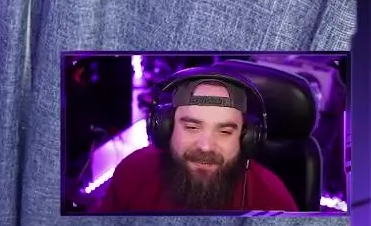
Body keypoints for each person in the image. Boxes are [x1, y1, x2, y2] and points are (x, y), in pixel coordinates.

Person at [95, 77, 298, 213]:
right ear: (167, 129)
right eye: (192, 127)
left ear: (246, 138)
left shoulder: (272, 200)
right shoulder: (133, 171)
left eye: (225, 132)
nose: (206, 147)